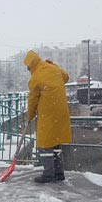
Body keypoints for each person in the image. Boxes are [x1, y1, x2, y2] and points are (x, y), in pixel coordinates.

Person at [23, 50, 72, 183]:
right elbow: (66, 77)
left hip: (48, 114)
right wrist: (54, 65)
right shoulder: (54, 68)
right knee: (56, 143)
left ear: (31, 65)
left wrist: (30, 115)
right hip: (61, 112)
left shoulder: (36, 77)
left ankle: (48, 174)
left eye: (28, 67)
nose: (28, 70)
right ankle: (59, 173)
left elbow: (32, 99)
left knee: (44, 145)